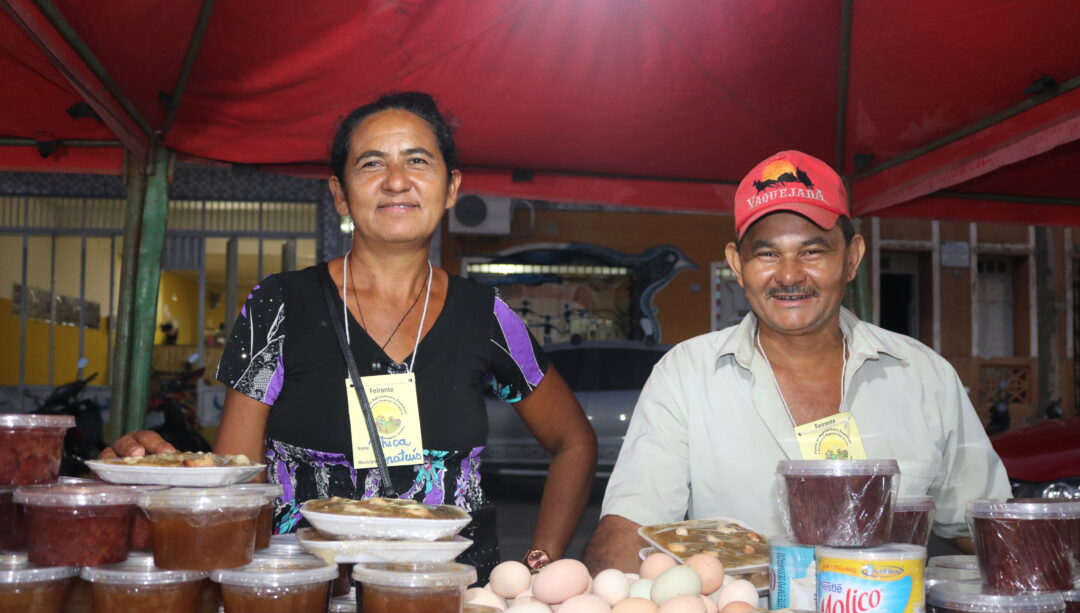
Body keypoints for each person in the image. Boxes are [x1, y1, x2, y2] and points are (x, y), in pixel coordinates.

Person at [105, 92, 598, 580]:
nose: (397, 181)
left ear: (451, 187)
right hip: (308, 600)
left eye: (418, 161)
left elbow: (573, 441)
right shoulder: (279, 304)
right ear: (340, 193)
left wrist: (542, 566)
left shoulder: (486, 316)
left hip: (453, 602)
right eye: (371, 164)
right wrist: (175, 475)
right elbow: (241, 472)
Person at [584, 150, 1011, 573]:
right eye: (767, 254)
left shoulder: (923, 376)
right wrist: (598, 609)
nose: (789, 276)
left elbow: (986, 529)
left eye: (812, 252)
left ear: (851, 257)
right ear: (737, 263)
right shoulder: (686, 375)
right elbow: (633, 524)